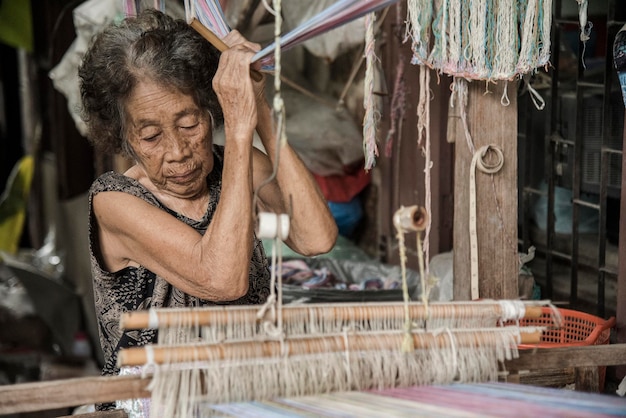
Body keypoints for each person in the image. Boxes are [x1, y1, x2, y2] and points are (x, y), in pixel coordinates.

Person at [78, 8, 337, 408]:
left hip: (243, 394)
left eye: (189, 125)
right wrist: (237, 129)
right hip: (156, 405)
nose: (178, 153)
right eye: (150, 136)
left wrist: (258, 107)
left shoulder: (234, 165)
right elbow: (221, 279)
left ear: (208, 110)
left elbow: (316, 237)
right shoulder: (114, 202)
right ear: (123, 136)